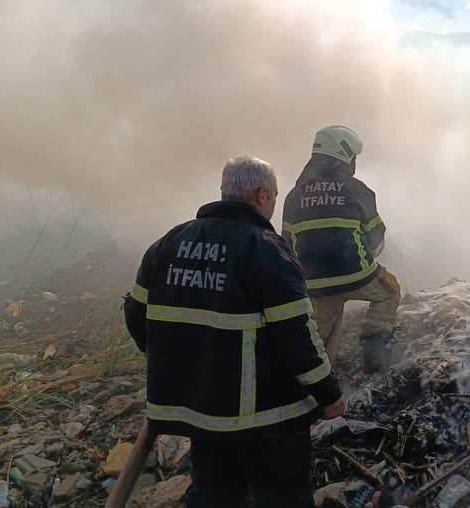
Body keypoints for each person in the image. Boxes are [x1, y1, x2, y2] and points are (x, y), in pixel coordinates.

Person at [123, 155, 344, 507]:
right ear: (261, 196)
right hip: (269, 417)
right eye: (273, 196)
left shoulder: (168, 243)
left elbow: (135, 313)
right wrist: (329, 392)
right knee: (282, 495)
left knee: (213, 494)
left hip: (200, 410)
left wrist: (178, 359)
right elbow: (297, 337)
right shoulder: (267, 250)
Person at [281, 125, 401, 374]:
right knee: (389, 292)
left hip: (313, 284)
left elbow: (287, 244)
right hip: (357, 275)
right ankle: (374, 357)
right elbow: (376, 239)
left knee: (317, 340)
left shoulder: (294, 195)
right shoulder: (357, 189)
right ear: (344, 155)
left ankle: (316, 386)